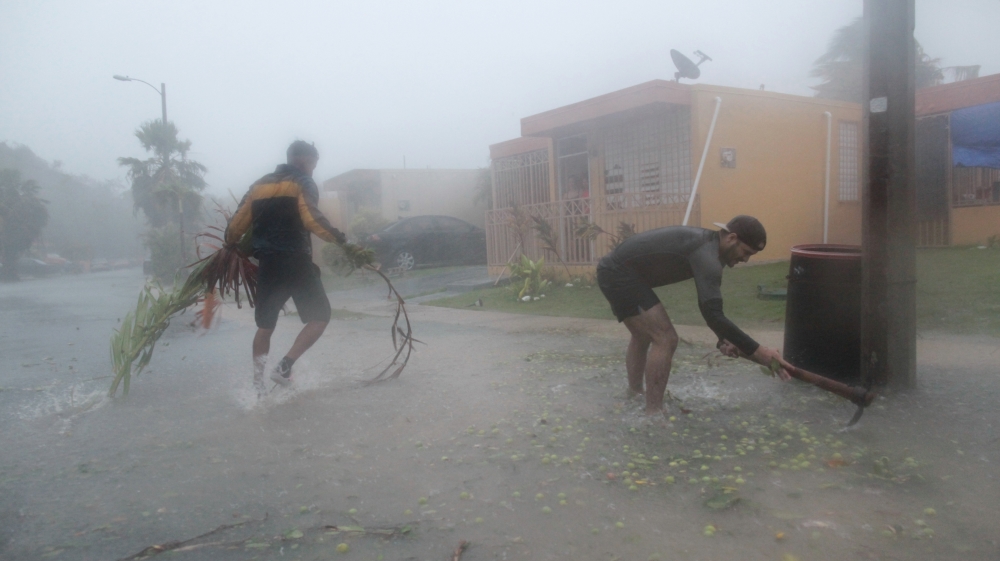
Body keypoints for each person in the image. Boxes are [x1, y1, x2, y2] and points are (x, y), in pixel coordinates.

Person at [596, 215, 793, 415]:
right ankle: (653, 413)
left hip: (617, 271)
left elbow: (709, 309)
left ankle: (635, 395)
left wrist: (723, 339)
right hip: (617, 272)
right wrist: (761, 352)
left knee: (644, 335)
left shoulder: (710, 249)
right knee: (665, 338)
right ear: (732, 238)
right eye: (746, 252)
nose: (746, 259)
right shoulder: (707, 254)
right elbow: (713, 315)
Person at [225, 141, 348, 397]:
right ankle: (284, 367)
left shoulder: (259, 185)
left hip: (268, 264)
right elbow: (311, 218)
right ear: (303, 160)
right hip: (295, 261)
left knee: (265, 326)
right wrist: (340, 240)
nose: (314, 169)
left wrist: (231, 243)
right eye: (313, 163)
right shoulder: (302, 182)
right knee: (320, 316)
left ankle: (258, 387)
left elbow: (236, 225)